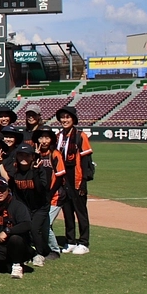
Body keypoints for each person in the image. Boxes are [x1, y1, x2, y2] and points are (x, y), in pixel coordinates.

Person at [5, 142, 55, 265]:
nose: (23, 158)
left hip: (40, 207)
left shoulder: (40, 169)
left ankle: (39, 253)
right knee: (24, 228)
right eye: (21, 155)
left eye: (27, 155)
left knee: (34, 228)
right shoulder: (15, 171)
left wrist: (36, 172)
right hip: (25, 206)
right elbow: (8, 182)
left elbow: (40, 189)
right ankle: (26, 253)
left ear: (32, 157)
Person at [56, 106, 94, 255]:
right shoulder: (59, 136)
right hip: (63, 179)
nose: (64, 120)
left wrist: (84, 179)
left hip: (76, 178)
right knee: (67, 211)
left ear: (73, 119)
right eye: (62, 117)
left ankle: (84, 242)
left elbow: (86, 160)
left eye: (68, 117)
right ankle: (70, 240)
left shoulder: (80, 136)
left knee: (81, 212)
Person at [32, 126, 67, 258]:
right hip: (41, 195)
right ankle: (43, 248)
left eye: (47, 137)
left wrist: (50, 193)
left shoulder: (55, 154)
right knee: (41, 223)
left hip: (55, 195)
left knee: (47, 223)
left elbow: (59, 176)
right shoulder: (37, 154)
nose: (44, 141)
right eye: (41, 137)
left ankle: (54, 250)